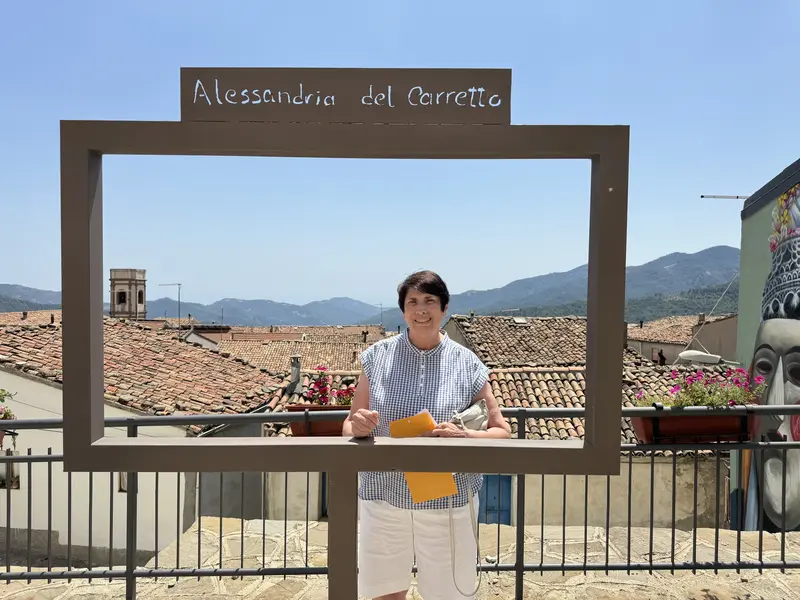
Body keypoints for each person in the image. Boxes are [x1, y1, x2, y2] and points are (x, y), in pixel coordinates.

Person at [343, 270, 511, 600]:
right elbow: (349, 425)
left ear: (444, 308)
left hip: (449, 503)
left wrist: (464, 437)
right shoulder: (377, 358)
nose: (421, 309)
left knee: (450, 596)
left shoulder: (468, 363)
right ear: (403, 310)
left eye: (430, 301)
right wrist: (360, 426)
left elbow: (500, 431)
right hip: (384, 495)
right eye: (413, 301)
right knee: (382, 595)